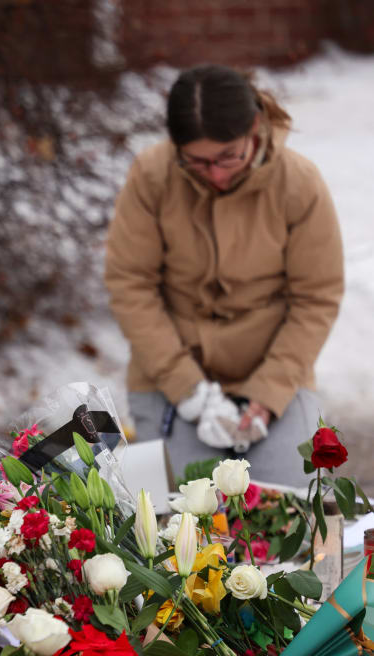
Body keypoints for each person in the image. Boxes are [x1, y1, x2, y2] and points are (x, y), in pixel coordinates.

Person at [104, 65, 343, 489]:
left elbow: (316, 298)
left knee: (288, 508)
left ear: (255, 127)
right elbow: (131, 285)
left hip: (276, 375)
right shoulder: (151, 175)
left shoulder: (300, 184)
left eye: (227, 157)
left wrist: (268, 395)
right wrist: (189, 390)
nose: (215, 175)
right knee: (177, 516)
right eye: (196, 161)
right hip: (170, 376)